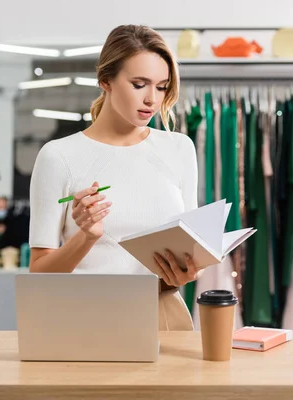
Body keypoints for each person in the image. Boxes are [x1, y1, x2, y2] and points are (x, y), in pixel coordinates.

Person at [28, 24, 202, 331]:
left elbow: (188, 252)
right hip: (85, 322)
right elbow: (40, 275)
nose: (152, 99)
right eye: (139, 84)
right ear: (105, 80)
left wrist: (186, 273)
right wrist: (87, 236)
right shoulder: (58, 156)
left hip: (162, 316)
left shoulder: (179, 148)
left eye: (162, 87)